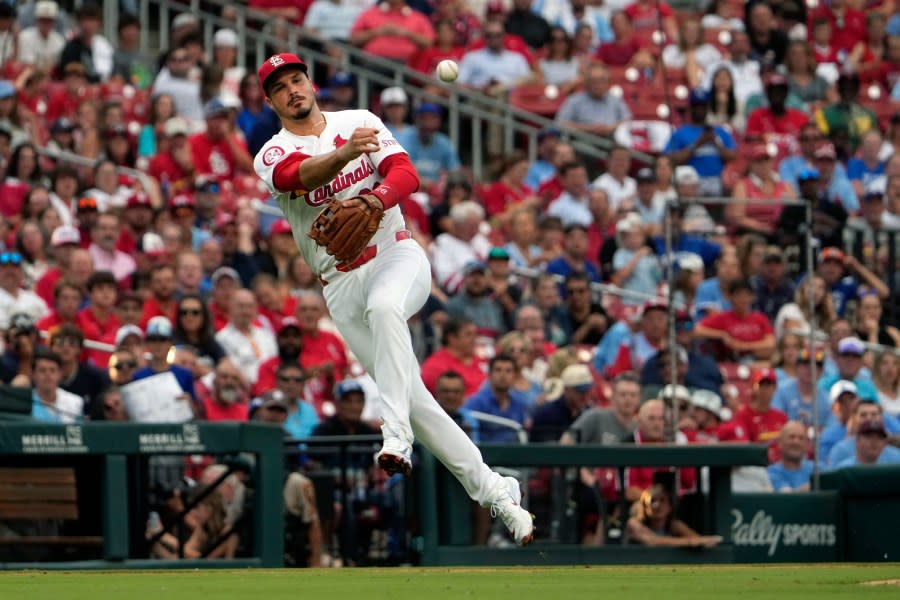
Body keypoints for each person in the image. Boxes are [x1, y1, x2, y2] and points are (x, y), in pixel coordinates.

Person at [252, 53, 534, 544]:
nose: (292, 89)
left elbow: (405, 174)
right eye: (280, 87)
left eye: (297, 79)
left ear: (310, 83)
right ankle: (498, 492)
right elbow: (301, 176)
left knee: (386, 310)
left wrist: (376, 198)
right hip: (339, 284)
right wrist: (345, 157)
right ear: (270, 100)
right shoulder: (271, 153)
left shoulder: (359, 120)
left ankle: (395, 437)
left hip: (396, 256)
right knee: (418, 401)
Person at [625, 483, 722, 547]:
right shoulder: (634, 523)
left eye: (662, 500)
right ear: (644, 506)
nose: (657, 505)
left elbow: (699, 541)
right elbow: (652, 541)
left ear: (670, 507)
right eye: (652, 500)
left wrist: (700, 541)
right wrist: (689, 542)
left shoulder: (675, 525)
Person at [767, 421, 814, 492]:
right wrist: (814, 486)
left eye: (801, 438)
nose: (796, 442)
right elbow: (787, 497)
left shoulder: (817, 469)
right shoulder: (771, 473)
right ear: (780, 443)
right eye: (791, 437)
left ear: (807, 444)